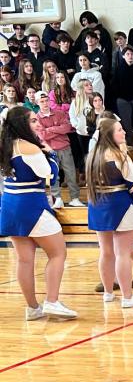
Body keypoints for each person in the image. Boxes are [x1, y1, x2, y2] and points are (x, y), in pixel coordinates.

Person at [0, 105, 77, 320]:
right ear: (22, 124)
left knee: (24, 260)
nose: (37, 123)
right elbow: (49, 176)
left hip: (9, 203)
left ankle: (33, 308)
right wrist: (50, 154)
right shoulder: (28, 146)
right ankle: (52, 301)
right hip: (30, 204)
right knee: (58, 253)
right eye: (33, 120)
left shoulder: (6, 145)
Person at [86, 113, 133, 309]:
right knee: (122, 253)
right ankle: (128, 297)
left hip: (97, 206)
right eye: (120, 130)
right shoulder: (121, 156)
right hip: (120, 205)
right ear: (110, 135)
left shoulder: (92, 157)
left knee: (105, 252)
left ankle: (108, 294)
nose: (124, 132)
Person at [36, 90, 82, 208]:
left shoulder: (59, 113)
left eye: (46, 100)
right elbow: (43, 135)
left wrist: (50, 129)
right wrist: (57, 129)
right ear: (37, 103)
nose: (45, 103)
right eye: (42, 101)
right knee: (54, 175)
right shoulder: (37, 118)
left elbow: (67, 127)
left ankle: (75, 198)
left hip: (64, 147)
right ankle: (57, 198)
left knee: (71, 173)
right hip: (50, 150)